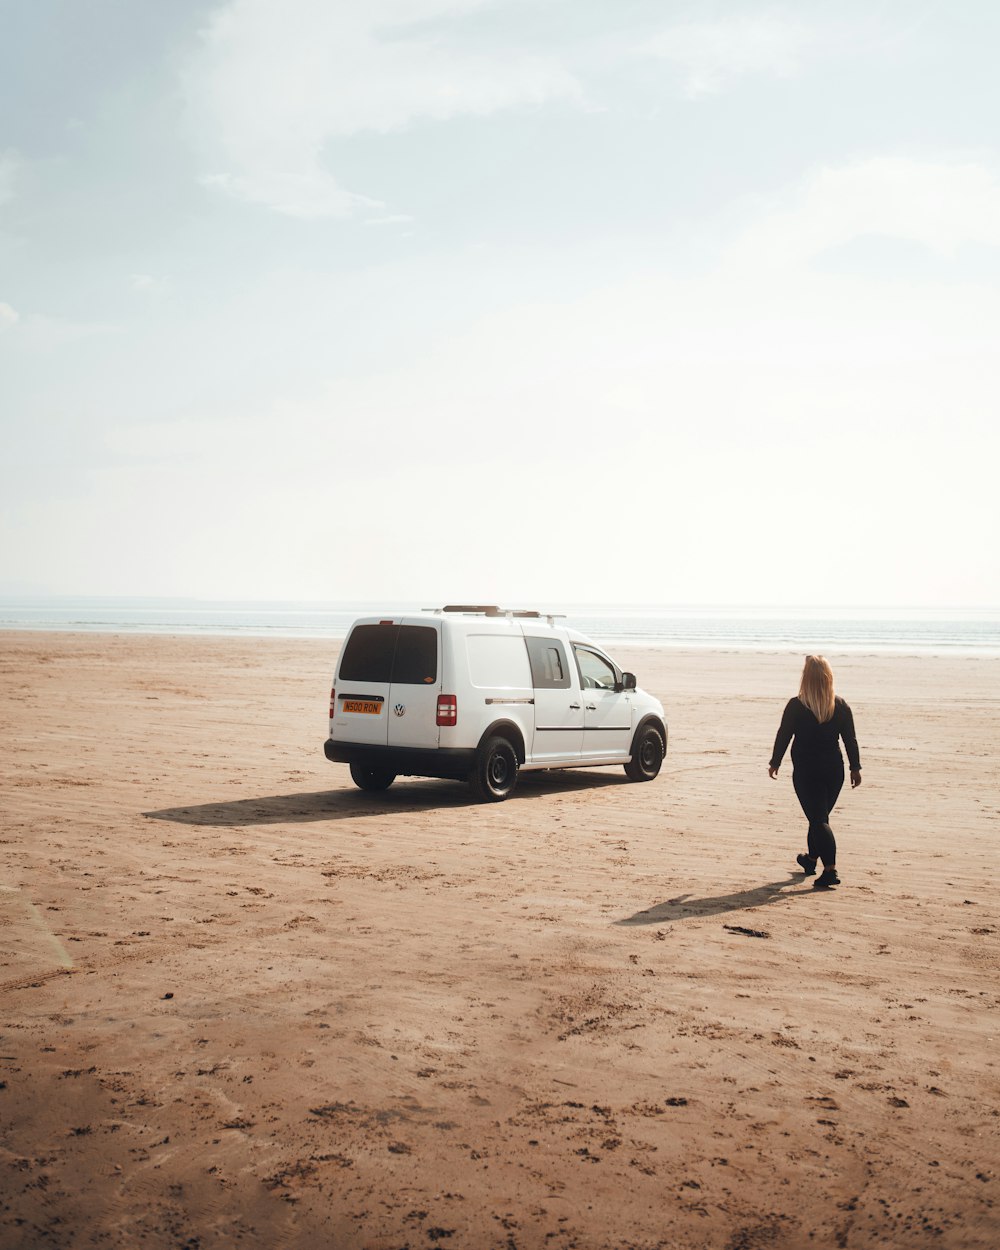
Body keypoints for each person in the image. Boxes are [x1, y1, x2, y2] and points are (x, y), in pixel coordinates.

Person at [768, 655, 861, 890]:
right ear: (829, 679)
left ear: (806, 678)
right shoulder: (839, 705)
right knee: (819, 819)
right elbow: (850, 740)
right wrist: (855, 768)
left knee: (818, 820)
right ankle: (810, 861)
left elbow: (784, 735)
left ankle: (830, 870)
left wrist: (775, 761)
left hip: (807, 772)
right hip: (834, 772)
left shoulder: (797, 705)